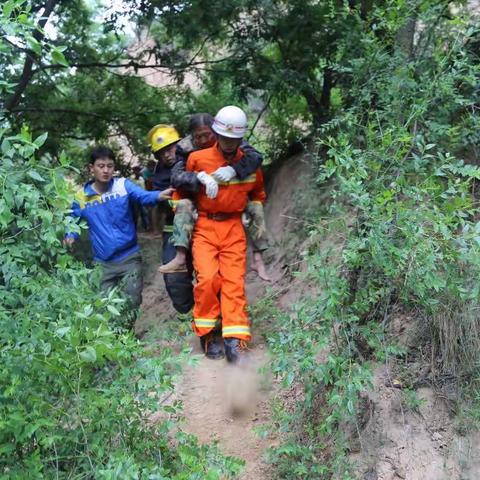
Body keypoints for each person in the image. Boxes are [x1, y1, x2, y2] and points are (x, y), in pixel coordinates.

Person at [175, 106, 267, 363]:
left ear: (241, 139)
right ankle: (207, 334)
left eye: (233, 140)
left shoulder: (249, 163)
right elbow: (179, 191)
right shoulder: (197, 159)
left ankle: (235, 341)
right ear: (216, 134)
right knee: (207, 281)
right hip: (205, 226)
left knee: (233, 284)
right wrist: (200, 180)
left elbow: (257, 196)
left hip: (233, 228)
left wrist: (259, 242)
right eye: (224, 138)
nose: (228, 144)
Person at [159, 113, 271, 281]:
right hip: (200, 200)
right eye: (198, 137)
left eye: (207, 135)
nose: (203, 140)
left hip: (231, 198)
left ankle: (258, 258)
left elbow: (255, 158)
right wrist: (199, 178)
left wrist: (234, 170)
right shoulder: (185, 148)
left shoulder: (232, 140)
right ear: (192, 136)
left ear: (216, 131)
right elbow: (177, 177)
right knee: (183, 205)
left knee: (256, 206)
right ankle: (180, 256)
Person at [64, 146, 172, 312]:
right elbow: (73, 219)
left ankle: (127, 334)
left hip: (130, 257)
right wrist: (69, 234)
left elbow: (142, 196)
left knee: (132, 301)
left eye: (110, 166)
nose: (106, 170)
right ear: (91, 168)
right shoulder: (81, 197)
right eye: (101, 166)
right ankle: (111, 336)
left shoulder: (123, 186)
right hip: (102, 263)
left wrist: (159, 195)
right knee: (103, 308)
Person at [130, 165, 149, 231]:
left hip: (141, 197)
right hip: (134, 198)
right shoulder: (131, 179)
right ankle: (134, 227)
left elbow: (144, 188)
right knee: (135, 213)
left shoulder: (142, 179)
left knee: (144, 212)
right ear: (134, 171)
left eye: (138, 170)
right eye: (135, 170)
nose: (137, 172)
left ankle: (146, 226)